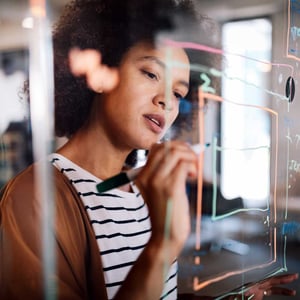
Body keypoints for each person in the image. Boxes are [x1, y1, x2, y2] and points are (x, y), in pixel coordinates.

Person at [0, 0, 298, 299]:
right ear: (101, 72)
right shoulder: (33, 196)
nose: (166, 102)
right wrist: (162, 245)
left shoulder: (144, 189)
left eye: (178, 93)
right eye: (151, 74)